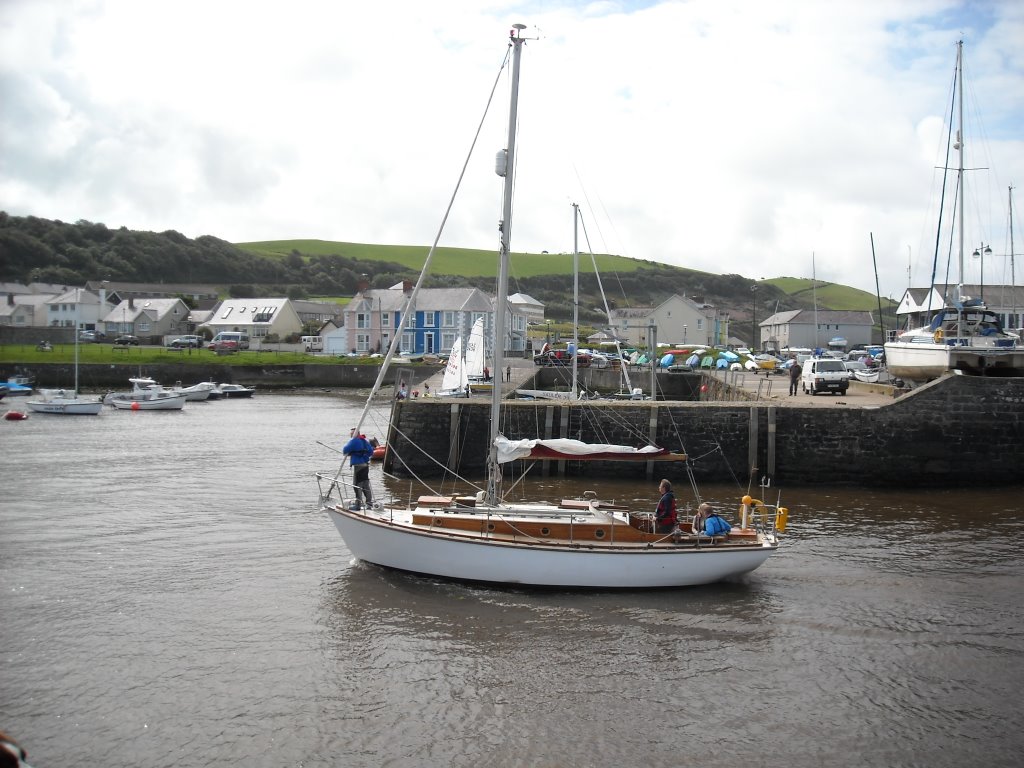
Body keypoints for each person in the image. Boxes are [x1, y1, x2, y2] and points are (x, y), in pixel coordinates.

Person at [343, 427, 374, 510]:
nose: (350, 435)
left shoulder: (354, 441)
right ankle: (369, 503)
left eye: (351, 434)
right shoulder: (365, 441)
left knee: (357, 485)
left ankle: (358, 504)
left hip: (358, 467)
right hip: (365, 466)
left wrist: (352, 452)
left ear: (354, 434)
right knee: (365, 485)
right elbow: (371, 452)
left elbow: (344, 450)